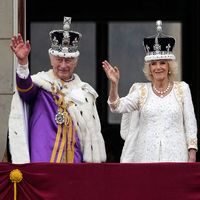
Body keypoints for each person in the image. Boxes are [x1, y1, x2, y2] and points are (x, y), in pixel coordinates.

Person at [8, 16, 106, 164]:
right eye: (59, 59)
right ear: (51, 58)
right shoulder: (41, 84)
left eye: (68, 60)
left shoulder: (85, 92)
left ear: (76, 62)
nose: (63, 65)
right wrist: (22, 63)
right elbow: (25, 90)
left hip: (74, 161)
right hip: (43, 158)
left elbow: (89, 136)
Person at [102, 20, 198, 163]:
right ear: (149, 68)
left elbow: (191, 124)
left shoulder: (182, 89)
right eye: (154, 64)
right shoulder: (141, 91)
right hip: (146, 158)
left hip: (176, 157)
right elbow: (117, 106)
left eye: (162, 63)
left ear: (169, 66)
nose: (158, 67)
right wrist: (114, 84)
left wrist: (192, 152)